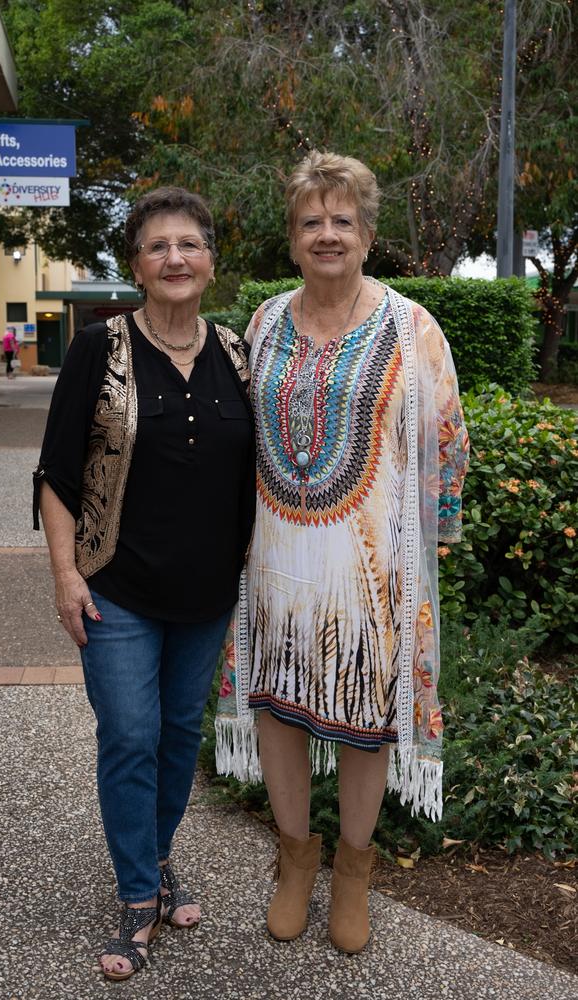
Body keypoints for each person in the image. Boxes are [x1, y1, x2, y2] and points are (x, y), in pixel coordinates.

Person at [216, 151, 469, 953]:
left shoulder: (411, 326)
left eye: (342, 220)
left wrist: (428, 559)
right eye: (310, 222)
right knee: (276, 709)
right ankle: (295, 863)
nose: (327, 234)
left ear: (367, 234)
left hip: (371, 572)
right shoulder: (261, 324)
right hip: (275, 560)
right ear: (291, 240)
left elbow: (447, 443)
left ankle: (353, 873)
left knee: (367, 718)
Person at [33, 186, 255, 981]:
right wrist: (65, 575)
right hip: (116, 588)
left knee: (175, 740)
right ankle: (136, 898)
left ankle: (155, 865)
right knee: (129, 736)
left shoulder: (236, 352)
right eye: (158, 246)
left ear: (210, 261)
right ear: (136, 263)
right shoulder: (101, 348)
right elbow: (57, 472)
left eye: (189, 244)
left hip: (205, 595)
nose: (175, 259)